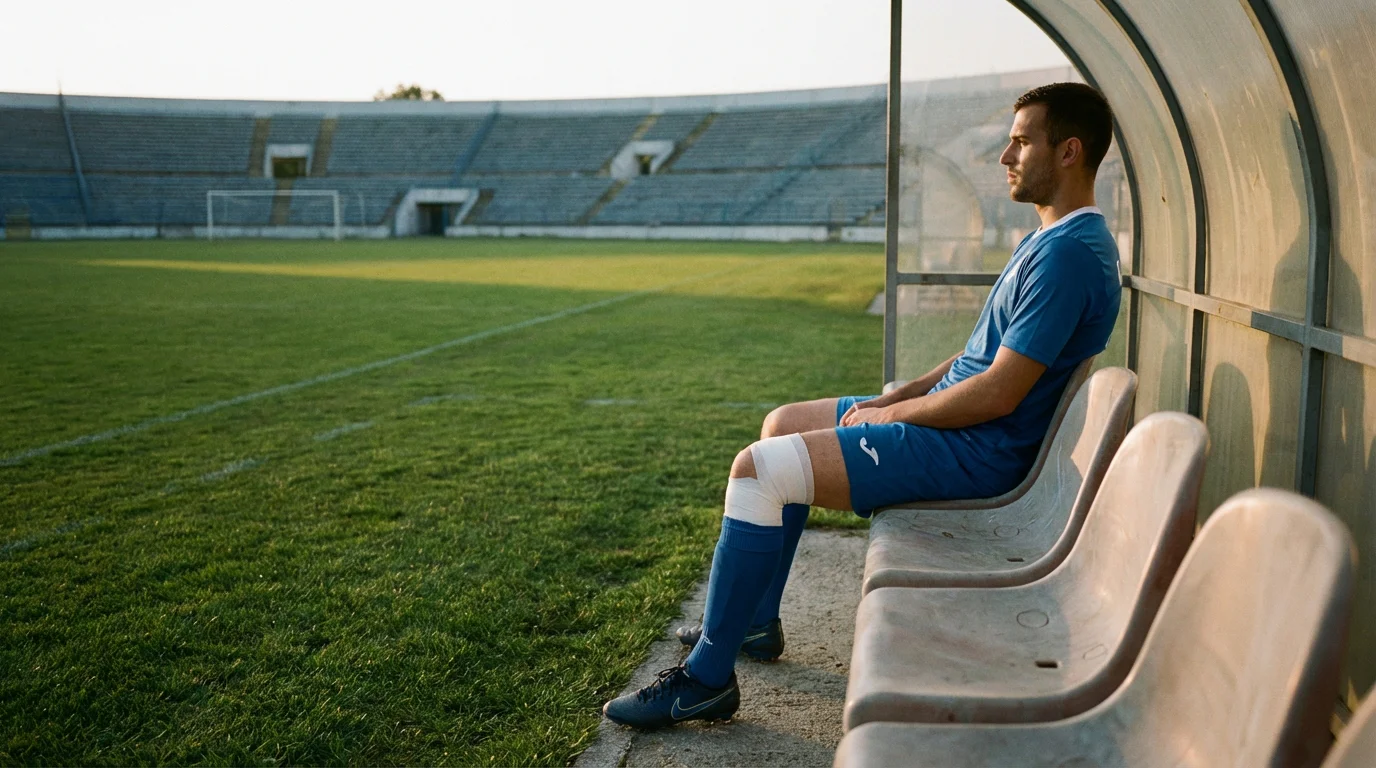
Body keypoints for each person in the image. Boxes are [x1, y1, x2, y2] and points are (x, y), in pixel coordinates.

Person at [602, 82, 1123, 729]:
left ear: (1069, 151)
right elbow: (984, 356)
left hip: (978, 450)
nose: (1004, 156)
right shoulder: (1052, 239)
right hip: (962, 423)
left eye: (1021, 141)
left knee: (758, 469)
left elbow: (998, 391)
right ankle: (755, 623)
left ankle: (707, 678)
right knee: (783, 424)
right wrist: (905, 390)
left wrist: (892, 417)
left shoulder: (1071, 254)